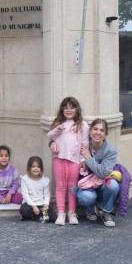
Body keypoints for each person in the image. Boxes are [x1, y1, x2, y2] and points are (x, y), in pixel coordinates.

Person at [47, 96, 89, 226]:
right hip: (59, 158)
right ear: (62, 110)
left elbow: (85, 143)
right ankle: (61, 212)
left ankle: (71, 212)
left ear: (77, 109)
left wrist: (83, 160)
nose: (69, 110)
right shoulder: (59, 123)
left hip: (74, 160)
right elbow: (50, 136)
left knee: (72, 187)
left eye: (72, 107)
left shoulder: (83, 125)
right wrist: (56, 131)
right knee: (60, 186)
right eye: (66, 108)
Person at [75, 118, 120, 228]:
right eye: (95, 129)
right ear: (90, 131)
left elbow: (103, 174)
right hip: (86, 186)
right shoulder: (83, 145)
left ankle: (106, 211)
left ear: (105, 134)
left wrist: (88, 158)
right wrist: (51, 142)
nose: (98, 133)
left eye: (102, 130)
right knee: (87, 197)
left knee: (113, 185)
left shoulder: (110, 151)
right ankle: (90, 208)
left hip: (102, 185)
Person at [19, 155, 57, 223]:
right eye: (33, 166)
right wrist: (33, 206)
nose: (36, 168)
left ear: (41, 168)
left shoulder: (45, 180)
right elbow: (25, 195)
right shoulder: (24, 179)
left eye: (38, 167)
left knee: (54, 218)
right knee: (23, 210)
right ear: (29, 168)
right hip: (30, 205)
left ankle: (36, 217)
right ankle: (40, 217)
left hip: (41, 205)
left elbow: (47, 194)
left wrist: (46, 204)